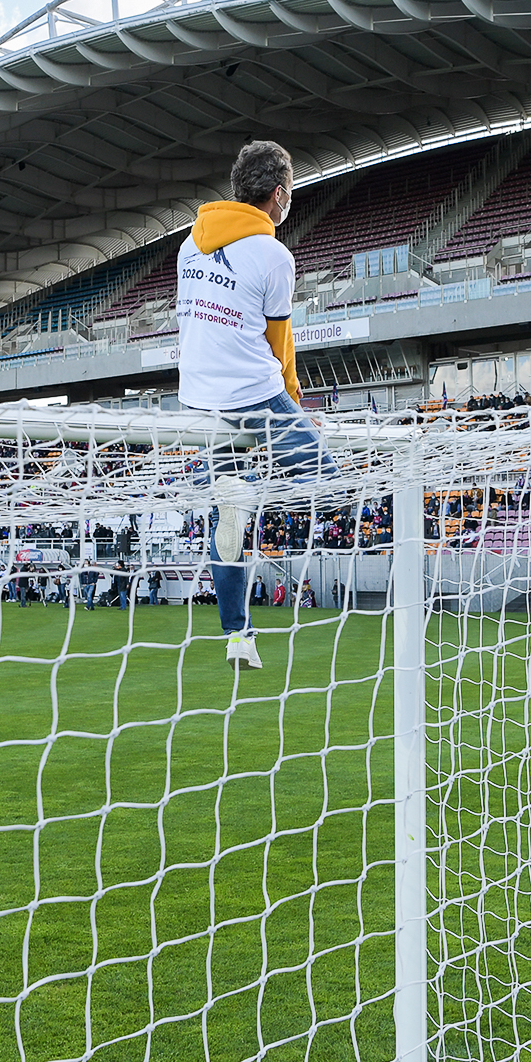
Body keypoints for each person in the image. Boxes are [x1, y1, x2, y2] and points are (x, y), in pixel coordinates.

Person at [174, 140, 338, 670]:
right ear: (276, 194)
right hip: (252, 395)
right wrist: (294, 401)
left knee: (226, 518)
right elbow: (279, 343)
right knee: (332, 486)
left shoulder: (187, 246)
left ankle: (237, 635)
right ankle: (256, 495)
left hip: (199, 401)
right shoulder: (273, 254)